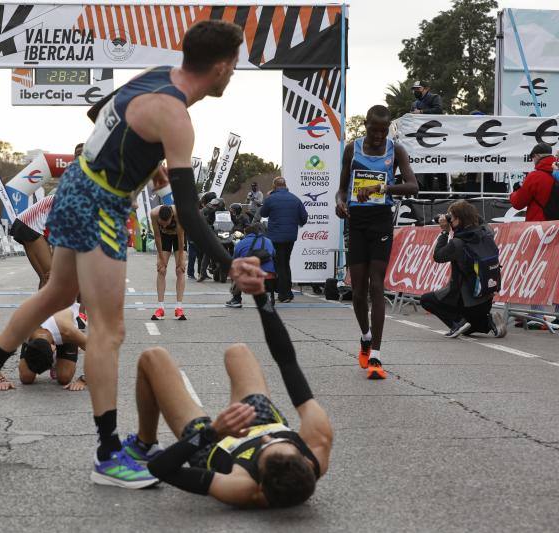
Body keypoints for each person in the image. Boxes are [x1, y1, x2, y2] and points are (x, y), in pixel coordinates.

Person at [0, 19, 266, 490]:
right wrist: (228, 263)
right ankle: (108, 455)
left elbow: (99, 111)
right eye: (234, 66)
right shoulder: (178, 118)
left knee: (58, 292)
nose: (234, 74)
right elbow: (186, 209)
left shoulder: (157, 74)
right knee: (109, 331)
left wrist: (148, 160)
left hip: (76, 185)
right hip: (100, 204)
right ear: (219, 67)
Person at [122, 292, 333, 508]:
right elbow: (287, 362)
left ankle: (144, 444)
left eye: (264, 448)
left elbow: (159, 468)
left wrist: (212, 432)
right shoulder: (318, 444)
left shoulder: (241, 488)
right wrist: (260, 296)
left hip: (214, 445)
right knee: (238, 352)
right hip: (263, 420)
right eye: (282, 441)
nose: (265, 439)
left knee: (153, 357)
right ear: (307, 461)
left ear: (259, 485)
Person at [336, 105, 418, 380]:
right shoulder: (352, 149)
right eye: (374, 130)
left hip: (381, 220)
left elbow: (412, 185)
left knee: (376, 285)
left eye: (384, 131)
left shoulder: (396, 150)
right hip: (357, 222)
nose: (379, 136)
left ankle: (377, 356)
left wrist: (383, 187)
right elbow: (342, 189)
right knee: (358, 289)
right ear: (366, 125)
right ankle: (365, 337)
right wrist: (339, 203)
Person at [420, 201, 507, 338]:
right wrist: (467, 213)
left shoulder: (458, 243)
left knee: (426, 300)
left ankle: (457, 323)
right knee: (470, 328)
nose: (450, 221)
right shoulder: (486, 233)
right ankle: (488, 322)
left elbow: (438, 256)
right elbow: (480, 221)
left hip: (466, 302)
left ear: (459, 219)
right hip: (486, 297)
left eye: (452, 218)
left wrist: (444, 231)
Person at [0, 304, 88, 392]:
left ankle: (56, 360)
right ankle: (55, 360)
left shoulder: (68, 332)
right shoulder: (20, 330)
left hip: (63, 330)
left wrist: (84, 379)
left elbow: (98, 352)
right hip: (39, 330)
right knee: (26, 378)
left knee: (64, 378)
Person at [260, 177, 307, 303]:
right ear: (285, 185)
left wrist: (267, 197)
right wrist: (297, 223)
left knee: (279, 264)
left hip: (275, 237)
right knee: (286, 263)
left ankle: (283, 294)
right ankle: (288, 292)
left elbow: (263, 213)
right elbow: (304, 217)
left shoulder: (271, 199)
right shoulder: (295, 199)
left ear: (274, 186)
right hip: (290, 237)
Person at [10, 195, 55, 289]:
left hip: (26, 224)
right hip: (30, 225)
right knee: (52, 277)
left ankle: (43, 303)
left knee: (45, 278)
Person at [150, 204, 186, 321]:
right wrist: (161, 258)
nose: (164, 225)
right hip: (163, 237)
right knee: (161, 270)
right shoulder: (154, 214)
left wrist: (181, 258)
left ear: (171, 217)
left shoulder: (178, 214)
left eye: (166, 223)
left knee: (180, 270)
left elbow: (181, 238)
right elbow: (157, 236)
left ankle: (179, 307)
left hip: (178, 237)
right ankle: (160, 308)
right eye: (162, 223)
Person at [226, 223, 275, 308]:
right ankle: (269, 297)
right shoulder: (268, 241)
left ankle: (236, 299)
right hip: (268, 274)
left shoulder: (241, 243)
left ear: (246, 233)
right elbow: (274, 254)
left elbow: (235, 259)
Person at [510, 143, 557, 221]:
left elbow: (518, 203)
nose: (533, 161)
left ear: (537, 156)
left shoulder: (534, 177)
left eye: (532, 157)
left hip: (539, 227)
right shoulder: (556, 173)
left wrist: (514, 193)